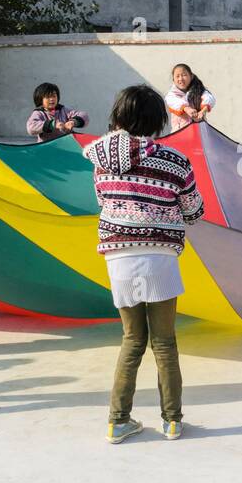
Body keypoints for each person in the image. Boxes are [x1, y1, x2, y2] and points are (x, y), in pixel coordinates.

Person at [82, 84, 204, 444]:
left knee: (132, 339)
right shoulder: (174, 161)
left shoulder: (99, 159)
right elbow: (194, 210)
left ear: (119, 115)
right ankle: (172, 422)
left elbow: (102, 198)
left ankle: (118, 421)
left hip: (119, 256)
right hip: (159, 256)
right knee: (164, 342)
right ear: (155, 120)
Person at [164, 63, 216, 133]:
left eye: (184, 75)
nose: (181, 79)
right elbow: (174, 102)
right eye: (177, 76)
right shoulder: (171, 95)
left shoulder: (199, 90)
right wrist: (187, 109)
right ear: (173, 79)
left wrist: (202, 111)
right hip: (179, 134)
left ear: (191, 76)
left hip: (199, 133)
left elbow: (210, 98)